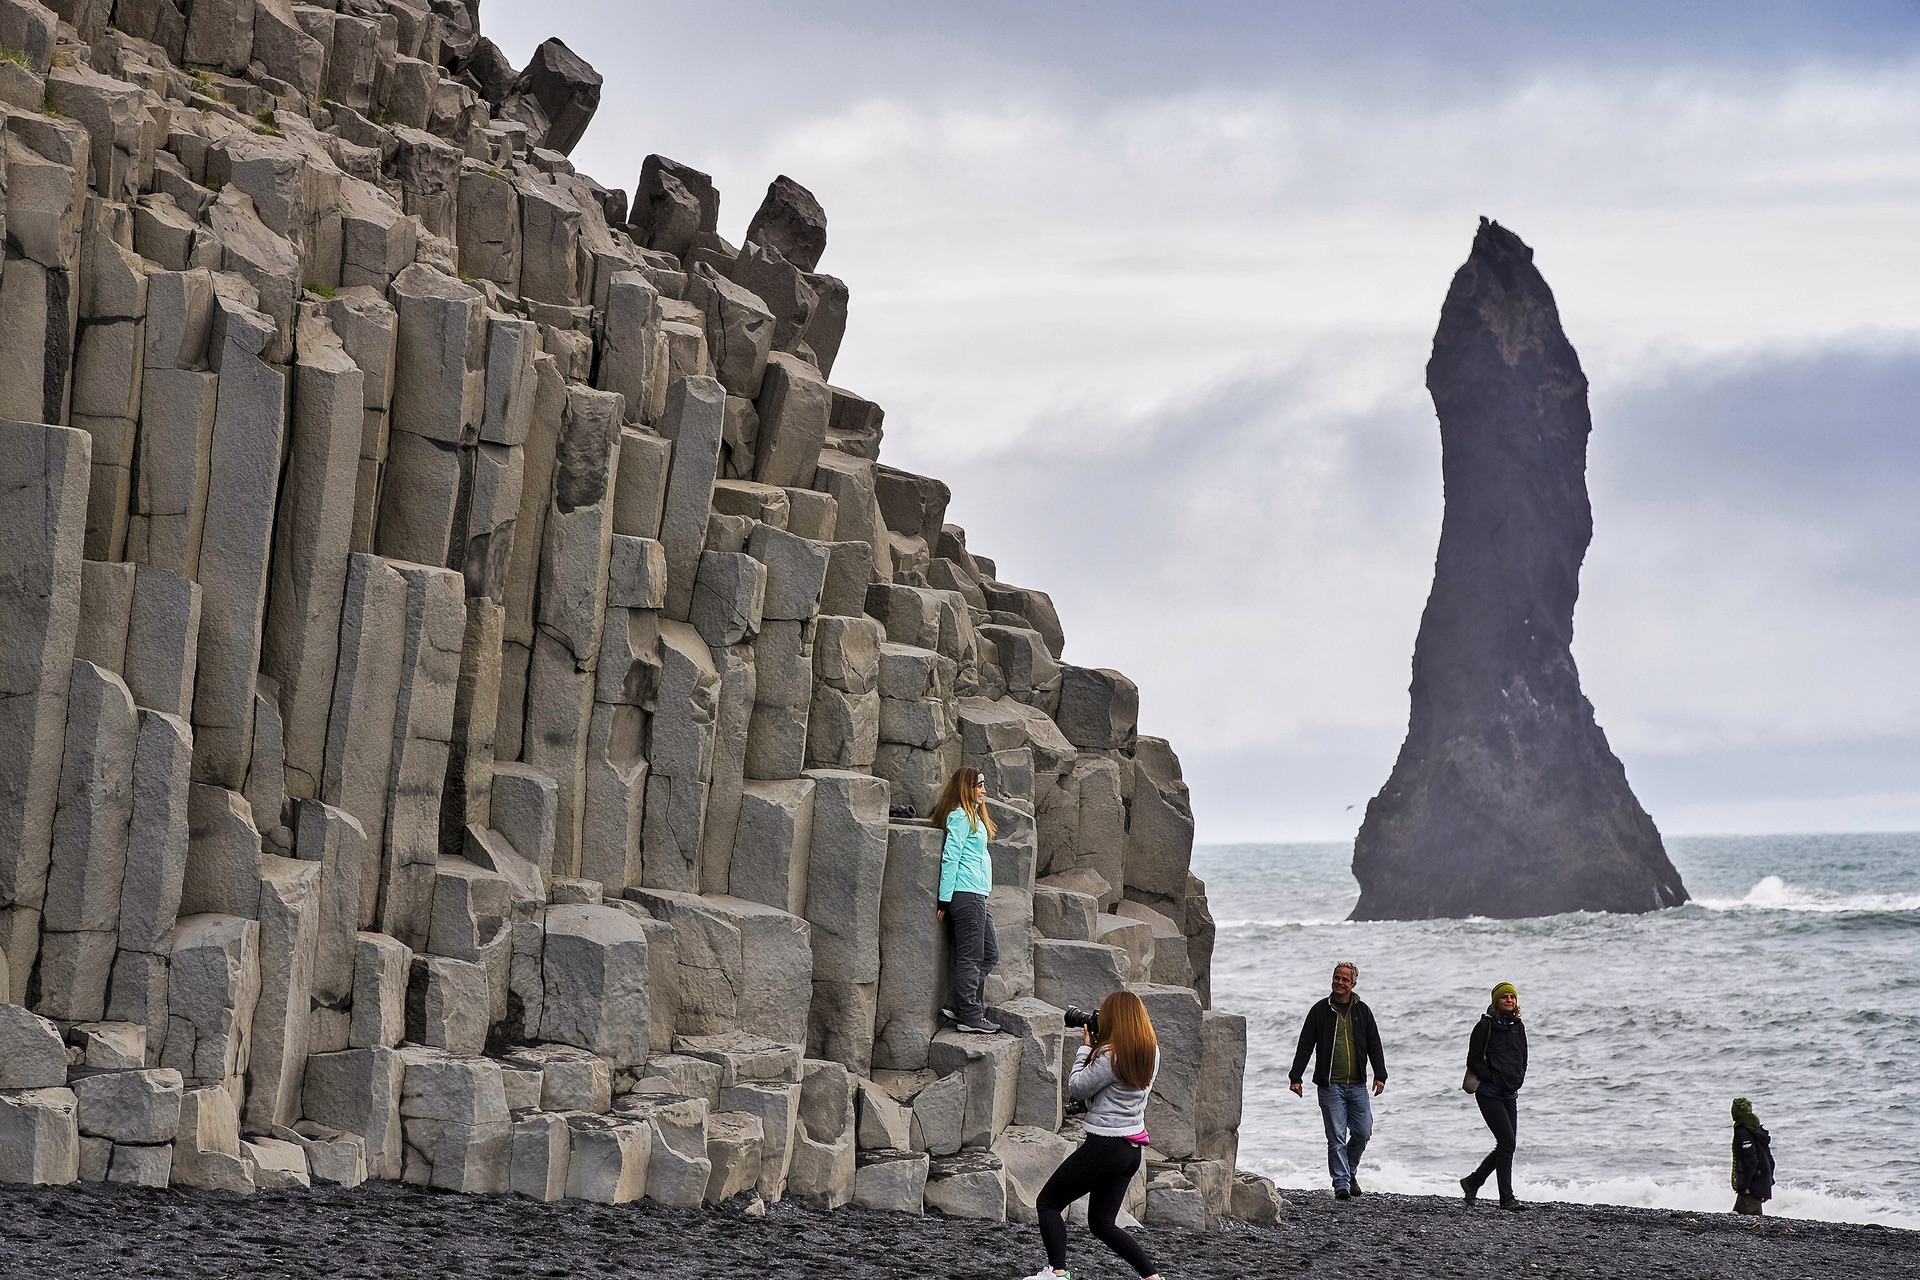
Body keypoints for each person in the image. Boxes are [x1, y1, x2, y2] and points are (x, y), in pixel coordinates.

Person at [1021, 990, 1163, 1280]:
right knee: (1101, 1223)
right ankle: (1152, 1278)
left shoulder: (1111, 1055)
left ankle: (1057, 1273)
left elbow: (1078, 1087)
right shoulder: (1151, 1051)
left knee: (1048, 1203)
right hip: (1131, 1150)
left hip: (1105, 1147)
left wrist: (1085, 1049)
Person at [1288, 960, 1387, 1200]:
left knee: (1363, 1132)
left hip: (1358, 1085)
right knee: (1336, 1138)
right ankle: (1341, 1184)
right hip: (1329, 1086)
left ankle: (1350, 1172)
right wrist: (1296, 1076)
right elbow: (1305, 1044)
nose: (1340, 983)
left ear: (1353, 983)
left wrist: (1380, 1074)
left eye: (1345, 979)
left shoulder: (1362, 1011)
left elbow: (1374, 1043)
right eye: (1337, 978)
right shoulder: (1320, 1010)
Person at [932, 766, 1000, 1035]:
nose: (984, 790)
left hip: (977, 895)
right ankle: (970, 1015)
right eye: (980, 785)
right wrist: (944, 900)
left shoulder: (973, 816)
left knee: (990, 953)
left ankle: (956, 1003)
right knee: (971, 957)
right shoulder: (960, 817)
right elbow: (951, 857)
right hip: (965, 894)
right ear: (967, 788)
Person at [1461, 981, 1529, 1211]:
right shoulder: (1484, 1026)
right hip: (1489, 1092)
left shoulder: (1518, 1026)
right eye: (1504, 997)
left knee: (1507, 1144)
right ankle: (1506, 1199)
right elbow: (1473, 1060)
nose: (1509, 1000)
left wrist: (1519, 1077)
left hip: (1510, 1092)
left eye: (1512, 997)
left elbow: (1523, 1057)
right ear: (1496, 1001)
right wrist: (1490, 1077)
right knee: (1507, 1142)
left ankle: (1472, 1182)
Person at [1732, 1097, 1775, 1216]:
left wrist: (1744, 1185)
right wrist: (1768, 1185)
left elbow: (1749, 1160)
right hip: (1759, 1182)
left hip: (1751, 1186)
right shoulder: (1756, 1129)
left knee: (1747, 1221)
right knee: (1742, 1218)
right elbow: (1769, 1160)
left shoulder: (1743, 1132)